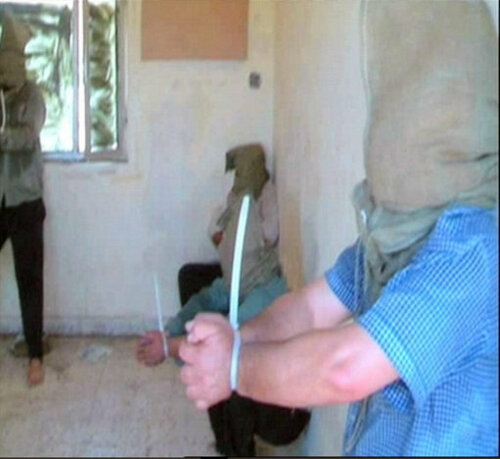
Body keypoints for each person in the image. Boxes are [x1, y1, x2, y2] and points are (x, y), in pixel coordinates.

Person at [178, 1, 498, 456]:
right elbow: (310, 310)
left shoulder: (475, 251)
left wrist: (233, 369)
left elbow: (345, 369)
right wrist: (237, 340)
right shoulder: (389, 238)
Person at [136, 143, 310, 455]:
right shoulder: (236, 209)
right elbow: (214, 236)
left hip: (287, 415)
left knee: (228, 367)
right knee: (195, 290)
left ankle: (236, 451)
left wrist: (169, 348)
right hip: (239, 298)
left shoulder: (270, 294)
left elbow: (229, 342)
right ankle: (227, 445)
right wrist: (170, 333)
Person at [0, 11, 47, 386]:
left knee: (29, 280)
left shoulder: (32, 95)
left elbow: (27, 138)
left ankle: (35, 355)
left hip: (26, 203)